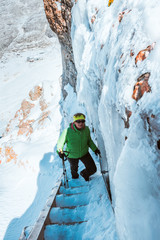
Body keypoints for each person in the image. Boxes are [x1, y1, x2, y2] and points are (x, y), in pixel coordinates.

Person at [57, 113, 100, 181]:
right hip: (72, 155)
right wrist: (60, 151)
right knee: (74, 169)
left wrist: (95, 149)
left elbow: (89, 141)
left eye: (82, 121)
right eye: (78, 121)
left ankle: (84, 173)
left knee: (93, 169)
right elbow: (60, 143)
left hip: (84, 153)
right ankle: (75, 179)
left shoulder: (86, 130)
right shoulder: (67, 131)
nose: (81, 123)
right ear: (74, 122)